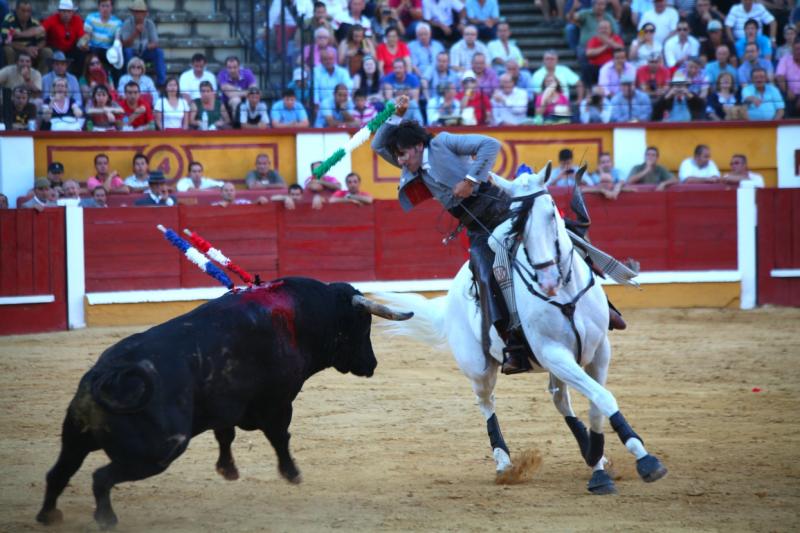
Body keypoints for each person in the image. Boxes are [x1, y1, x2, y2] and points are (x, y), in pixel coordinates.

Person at [371, 94, 535, 374]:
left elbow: (490, 144)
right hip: (475, 227)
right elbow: (377, 145)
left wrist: (470, 180)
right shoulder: (411, 168)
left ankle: (605, 306)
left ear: (419, 146)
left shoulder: (443, 141)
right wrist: (395, 116)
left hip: (501, 209)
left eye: (403, 154)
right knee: (485, 276)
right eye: (397, 155)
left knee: (554, 238)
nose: (400, 161)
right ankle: (514, 347)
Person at [120, 0, 165, 86]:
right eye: (136, 12)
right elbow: (125, 43)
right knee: (127, 51)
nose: (139, 15)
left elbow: (155, 42)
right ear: (133, 12)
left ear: (145, 13)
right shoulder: (127, 23)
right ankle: (129, 80)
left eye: (141, 12)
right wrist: (136, 33)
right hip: (132, 52)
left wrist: (150, 46)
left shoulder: (149, 24)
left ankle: (161, 83)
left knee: (159, 52)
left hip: (145, 52)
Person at [1, 0, 52, 74]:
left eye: (28, 11)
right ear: (17, 10)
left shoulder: (35, 22)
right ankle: (11, 77)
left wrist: (36, 49)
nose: (26, 14)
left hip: (32, 51)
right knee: (8, 50)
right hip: (17, 51)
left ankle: (40, 78)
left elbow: (42, 41)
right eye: (23, 11)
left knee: (47, 51)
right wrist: (26, 49)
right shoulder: (9, 20)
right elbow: (6, 42)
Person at [41, 0, 88, 74]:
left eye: (69, 12)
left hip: (70, 49)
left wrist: (83, 43)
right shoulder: (53, 19)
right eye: (63, 11)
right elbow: (40, 29)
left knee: (82, 52)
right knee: (57, 54)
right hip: (55, 49)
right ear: (59, 12)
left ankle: (76, 78)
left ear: (72, 12)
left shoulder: (77, 20)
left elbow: (82, 37)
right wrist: (21, 34)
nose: (66, 14)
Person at [82, 0, 122, 74]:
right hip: (92, 48)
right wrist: (84, 44)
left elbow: (117, 39)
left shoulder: (117, 23)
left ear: (111, 8)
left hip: (107, 50)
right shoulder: (91, 18)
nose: (105, 9)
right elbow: (87, 35)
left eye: (107, 6)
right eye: (103, 6)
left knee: (117, 56)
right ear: (99, 7)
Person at [776, 38, 800, 118]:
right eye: (796, 49)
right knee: (783, 99)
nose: (798, 52)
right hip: (788, 94)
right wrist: (787, 90)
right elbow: (780, 76)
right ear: (792, 49)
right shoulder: (785, 59)